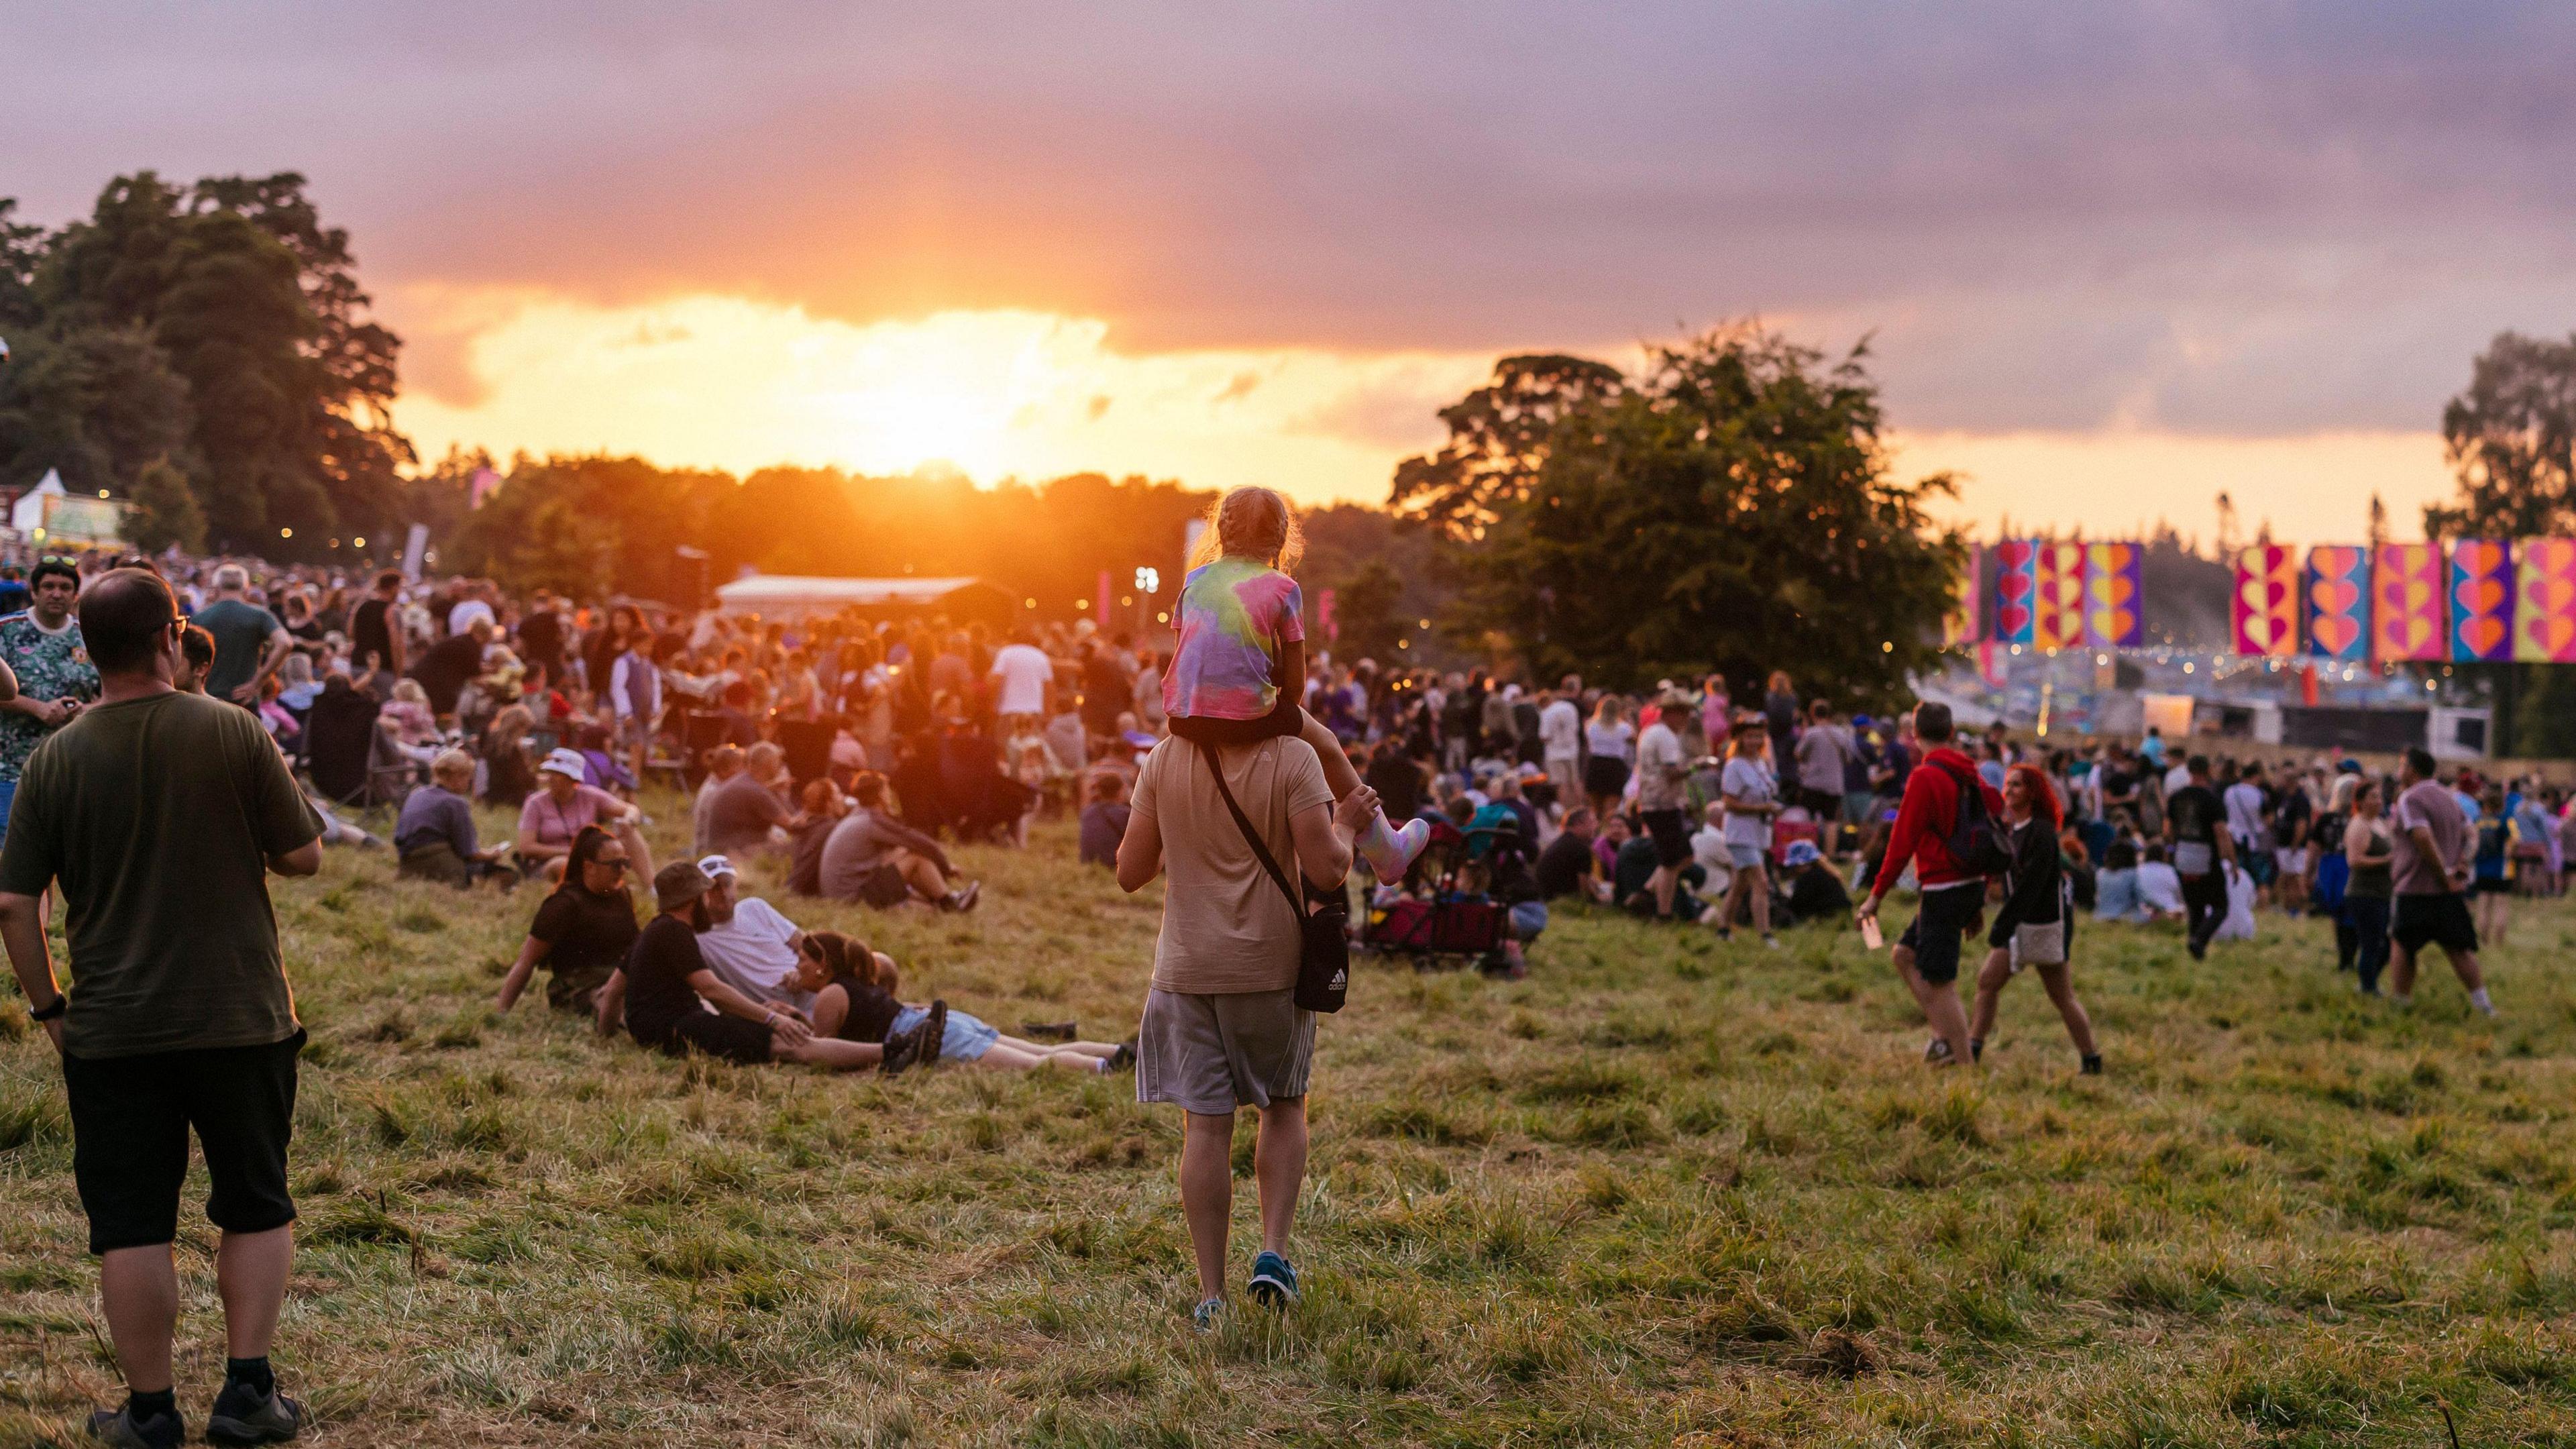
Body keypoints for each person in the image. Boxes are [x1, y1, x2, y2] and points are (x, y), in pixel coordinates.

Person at [0, 568, 323, 1447]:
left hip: (111, 1024)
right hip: (241, 1014)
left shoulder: (55, 759)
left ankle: (148, 1414)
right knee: (255, 1201)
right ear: (171, 638)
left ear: (89, 647)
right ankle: (248, 1394)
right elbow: (303, 859)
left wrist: (48, 1009)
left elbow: (13, 905)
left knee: (133, 1222)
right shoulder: (233, 732)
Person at [1114, 715, 1377, 1330]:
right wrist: (1347, 823)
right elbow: (1327, 870)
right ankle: (1273, 1256)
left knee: (1204, 1130)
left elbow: (1130, 871)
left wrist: (1185, 833)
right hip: (1270, 971)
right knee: (1283, 1105)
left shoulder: (1164, 759)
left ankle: (1211, 1295)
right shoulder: (1293, 756)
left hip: (1185, 970)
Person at [1159, 486, 1427, 882]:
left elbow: (1185, 654)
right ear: (1281, 537)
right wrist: (1280, 716)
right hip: (1251, 717)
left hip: (1182, 718)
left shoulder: (1194, 581)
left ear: (1220, 532)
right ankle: (1386, 850)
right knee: (1330, 748)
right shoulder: (1284, 588)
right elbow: (1296, 685)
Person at [594, 862, 892, 1069]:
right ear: (691, 901)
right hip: (681, 1027)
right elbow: (712, 990)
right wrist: (771, 1019)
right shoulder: (676, 933)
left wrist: (606, 1037)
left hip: (658, 1030)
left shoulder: (654, 930)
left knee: (785, 1036)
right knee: (790, 1043)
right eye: (704, 895)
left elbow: (613, 991)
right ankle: (889, 1053)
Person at [1856, 701, 2003, 1069]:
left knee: (1941, 982)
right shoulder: (1973, 774)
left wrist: (1875, 897)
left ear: (1914, 735)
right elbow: (1988, 831)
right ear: (1952, 733)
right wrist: (1980, 895)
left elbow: (1900, 844)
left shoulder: (1924, 778)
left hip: (1943, 888)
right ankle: (1943, 1038)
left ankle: (1965, 1065)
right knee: (1904, 955)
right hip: (1968, 885)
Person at [1968, 763, 2100, 1073]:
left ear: (2032, 792)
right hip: (2018, 924)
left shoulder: (2041, 833)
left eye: (2017, 785)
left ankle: (2091, 1059)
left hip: (2043, 925)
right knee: (1987, 982)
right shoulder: (2013, 830)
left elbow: (2032, 885)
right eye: (2008, 784)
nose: (2009, 790)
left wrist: (2002, 925)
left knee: (2062, 996)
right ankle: (1971, 1050)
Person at [2389, 747, 2496, 1016]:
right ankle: (2483, 1005)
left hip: (2415, 888)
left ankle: (2401, 1003)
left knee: (2403, 944)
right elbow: (2472, 836)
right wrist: (2464, 864)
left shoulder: (2410, 798)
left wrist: (2443, 874)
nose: (2398, 772)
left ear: (2411, 770)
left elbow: (2423, 838)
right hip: (2449, 892)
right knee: (2459, 949)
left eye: (2401, 767)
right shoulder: (2449, 798)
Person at [818, 771, 981, 911]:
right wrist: (946, 867)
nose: (890, 794)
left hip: (841, 894)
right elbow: (918, 841)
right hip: (852, 897)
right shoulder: (872, 820)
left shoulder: (858, 815)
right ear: (881, 794)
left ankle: (944, 900)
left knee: (927, 907)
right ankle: (950, 903)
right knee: (916, 855)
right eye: (887, 789)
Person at [0, 557, 81, 830]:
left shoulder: (91, 636)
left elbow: (113, 694)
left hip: (69, 776)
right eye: (48, 586)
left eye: (65, 587)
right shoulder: (7, 630)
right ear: (33, 592)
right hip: (10, 771)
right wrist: (36, 707)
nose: (56, 593)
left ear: (76, 595)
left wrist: (83, 710)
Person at [691, 855, 815, 1013]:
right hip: (776, 1012)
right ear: (700, 894)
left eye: (728, 884)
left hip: (812, 988)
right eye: (714, 887)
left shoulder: (754, 908)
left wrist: (802, 973)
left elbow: (808, 945)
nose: (723, 893)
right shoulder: (698, 939)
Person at [517, 747, 653, 881]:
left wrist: (628, 821)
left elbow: (631, 809)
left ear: (573, 779)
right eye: (550, 772)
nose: (551, 778)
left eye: (557, 774)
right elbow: (526, 848)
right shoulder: (535, 803)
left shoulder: (589, 795)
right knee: (562, 864)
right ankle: (599, 888)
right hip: (549, 863)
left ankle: (652, 887)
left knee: (629, 833)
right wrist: (570, 851)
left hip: (588, 858)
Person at [393, 748, 511, 887]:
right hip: (436, 857)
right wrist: (492, 854)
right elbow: (469, 853)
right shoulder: (455, 803)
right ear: (457, 777)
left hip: (407, 858)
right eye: (468, 778)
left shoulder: (417, 793)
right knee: (502, 874)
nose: (469, 783)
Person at [1631, 695, 1697, 922]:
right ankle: (1664, 913)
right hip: (1662, 804)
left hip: (1654, 801)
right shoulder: (1666, 736)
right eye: (1685, 713)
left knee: (1686, 857)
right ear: (1672, 713)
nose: (1688, 718)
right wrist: (1698, 767)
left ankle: (1646, 893)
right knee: (1671, 861)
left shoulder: (1651, 732)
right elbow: (1672, 773)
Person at [2162, 756, 2235, 960]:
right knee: (2221, 906)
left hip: (2183, 854)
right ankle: (2199, 941)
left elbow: (2167, 830)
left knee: (2195, 906)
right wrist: (2231, 860)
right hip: (2206, 857)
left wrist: (2173, 848)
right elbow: (2221, 833)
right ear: (2208, 770)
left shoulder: (2176, 798)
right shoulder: (2212, 800)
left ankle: (2195, 948)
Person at [1715, 726, 1782, 947]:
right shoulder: (1734, 766)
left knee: (1739, 885)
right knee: (1761, 882)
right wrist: (1763, 808)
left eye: (1758, 736)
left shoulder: (1760, 764)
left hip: (1759, 832)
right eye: (1750, 737)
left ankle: (1723, 926)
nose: (1755, 741)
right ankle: (1765, 934)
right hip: (1741, 833)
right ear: (1740, 740)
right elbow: (1729, 803)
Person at [193, 564, 294, 708]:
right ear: (246, 589)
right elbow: (285, 643)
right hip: (244, 700)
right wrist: (259, 680)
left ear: (216, 588)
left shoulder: (200, 618)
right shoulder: (260, 615)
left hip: (207, 700)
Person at [701, 741, 802, 859]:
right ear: (770, 764)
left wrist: (775, 791)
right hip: (732, 853)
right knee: (795, 848)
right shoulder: (755, 791)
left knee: (781, 842)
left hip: (722, 847)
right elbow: (793, 826)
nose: (781, 766)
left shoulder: (746, 781)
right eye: (778, 762)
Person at [2341, 780, 2394, 994]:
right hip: (2363, 893)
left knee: (2387, 944)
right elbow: (2354, 861)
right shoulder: (2359, 825)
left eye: (2380, 796)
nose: (2379, 801)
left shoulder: (2380, 823)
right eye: (2373, 797)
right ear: (2360, 802)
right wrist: (2386, 860)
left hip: (2382, 893)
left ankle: (2369, 981)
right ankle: (2368, 988)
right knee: (2372, 944)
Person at [1535, 806, 1609, 902]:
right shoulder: (1580, 849)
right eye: (1593, 822)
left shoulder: (1562, 843)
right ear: (1579, 824)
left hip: (1544, 898)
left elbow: (1587, 878)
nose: (1597, 825)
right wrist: (1602, 900)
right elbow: (1585, 890)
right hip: (1559, 901)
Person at [2472, 784, 2514, 947]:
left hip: (2481, 869)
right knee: (2501, 906)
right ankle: (2499, 944)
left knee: (2482, 907)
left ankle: (2484, 942)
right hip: (2500, 870)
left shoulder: (2478, 821)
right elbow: (2513, 843)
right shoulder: (2504, 820)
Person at [348, 569, 405, 688]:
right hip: (383, 670)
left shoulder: (361, 606)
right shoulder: (392, 611)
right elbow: (396, 645)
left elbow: (350, 632)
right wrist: (398, 675)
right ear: (394, 587)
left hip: (357, 664)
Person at [1778, 839, 1851, 924]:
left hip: (1827, 917)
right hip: (1841, 914)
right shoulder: (1825, 873)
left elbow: (1796, 905)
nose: (1795, 869)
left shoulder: (1809, 878)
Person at [1538, 682, 1582, 810]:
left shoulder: (1547, 712)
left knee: (1561, 784)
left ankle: (1566, 811)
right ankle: (1579, 808)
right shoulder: (1571, 708)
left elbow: (1544, 736)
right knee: (1575, 782)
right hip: (1572, 750)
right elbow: (1576, 729)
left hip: (1555, 753)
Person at [1079, 771, 1132, 868]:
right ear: (1120, 791)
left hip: (1089, 862)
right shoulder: (1126, 814)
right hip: (1114, 863)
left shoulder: (1087, 812)